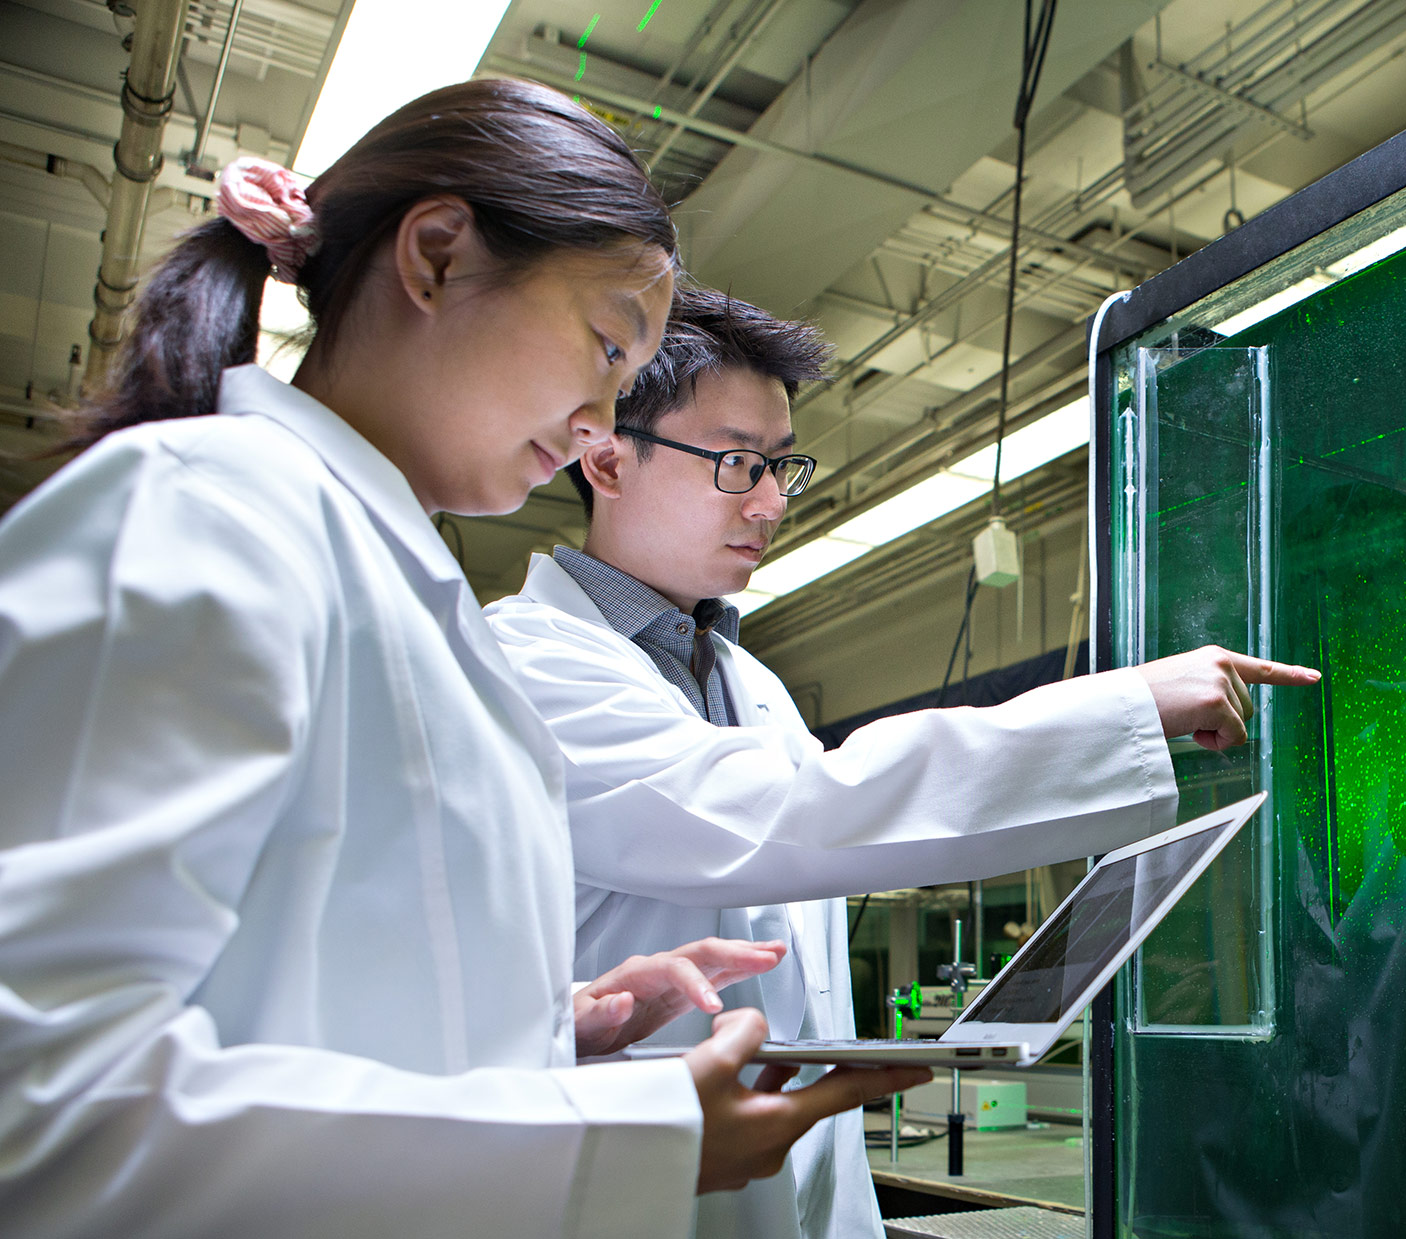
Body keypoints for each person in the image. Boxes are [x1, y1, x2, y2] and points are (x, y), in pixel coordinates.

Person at [0, 80, 925, 1238]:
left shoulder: (398, 588)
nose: (598, 419)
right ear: (435, 257)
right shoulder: (203, 518)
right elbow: (37, 1108)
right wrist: (604, 1144)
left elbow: (311, 1000)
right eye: (604, 345)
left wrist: (549, 1028)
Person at [482, 285, 1320, 1238]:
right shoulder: (526, 661)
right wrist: (1122, 709)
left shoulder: (749, 681)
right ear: (604, 456)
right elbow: (784, 815)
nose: (770, 501)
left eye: (781, 466)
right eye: (736, 463)